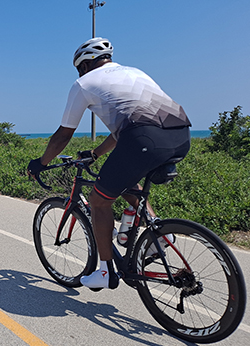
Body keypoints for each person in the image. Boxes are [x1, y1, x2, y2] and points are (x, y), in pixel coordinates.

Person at [27, 37, 191, 290]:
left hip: (142, 139)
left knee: (99, 201)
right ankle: (161, 233)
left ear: (83, 65)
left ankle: (105, 272)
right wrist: (96, 152)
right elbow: (126, 128)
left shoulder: (83, 83)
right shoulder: (135, 72)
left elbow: (64, 134)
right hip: (180, 134)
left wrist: (40, 162)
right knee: (127, 179)